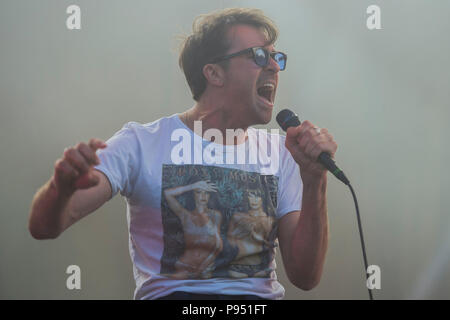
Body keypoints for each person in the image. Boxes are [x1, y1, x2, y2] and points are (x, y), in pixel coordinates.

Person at [28, 8, 338, 300]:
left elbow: (305, 276)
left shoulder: (281, 154)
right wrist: (62, 188)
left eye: (276, 57)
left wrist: (315, 180)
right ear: (214, 73)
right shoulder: (141, 143)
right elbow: (44, 227)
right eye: (258, 56)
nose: (273, 66)